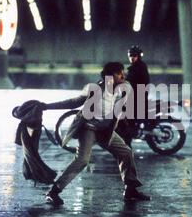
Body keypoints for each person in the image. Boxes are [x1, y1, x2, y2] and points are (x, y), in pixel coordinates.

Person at [41, 62, 151, 206]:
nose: (123, 75)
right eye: (119, 73)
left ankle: (130, 190)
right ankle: (53, 192)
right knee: (82, 160)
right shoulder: (96, 88)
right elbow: (74, 102)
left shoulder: (122, 89)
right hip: (89, 128)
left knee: (125, 152)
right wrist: (47, 106)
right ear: (110, 75)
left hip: (105, 131)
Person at [117, 45, 151, 146]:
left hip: (138, 97)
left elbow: (131, 80)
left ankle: (127, 145)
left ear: (138, 56)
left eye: (134, 55)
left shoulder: (139, 67)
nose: (132, 57)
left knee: (127, 119)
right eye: (130, 55)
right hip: (135, 95)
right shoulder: (136, 67)